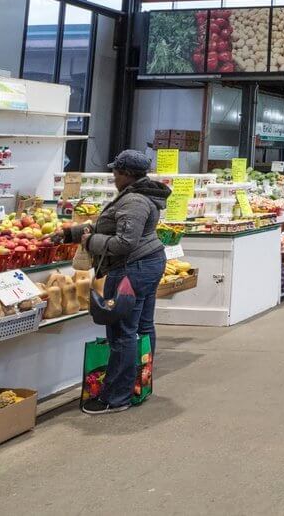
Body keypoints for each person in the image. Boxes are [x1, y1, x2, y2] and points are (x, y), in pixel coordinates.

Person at [66, 150, 171, 414]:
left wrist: (90, 242)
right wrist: (72, 233)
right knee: (143, 326)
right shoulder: (138, 196)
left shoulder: (133, 200)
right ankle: (140, 383)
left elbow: (125, 242)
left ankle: (116, 397)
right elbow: (111, 227)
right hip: (147, 264)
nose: (113, 176)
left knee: (122, 332)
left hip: (132, 268)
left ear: (125, 174)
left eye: (116, 171)